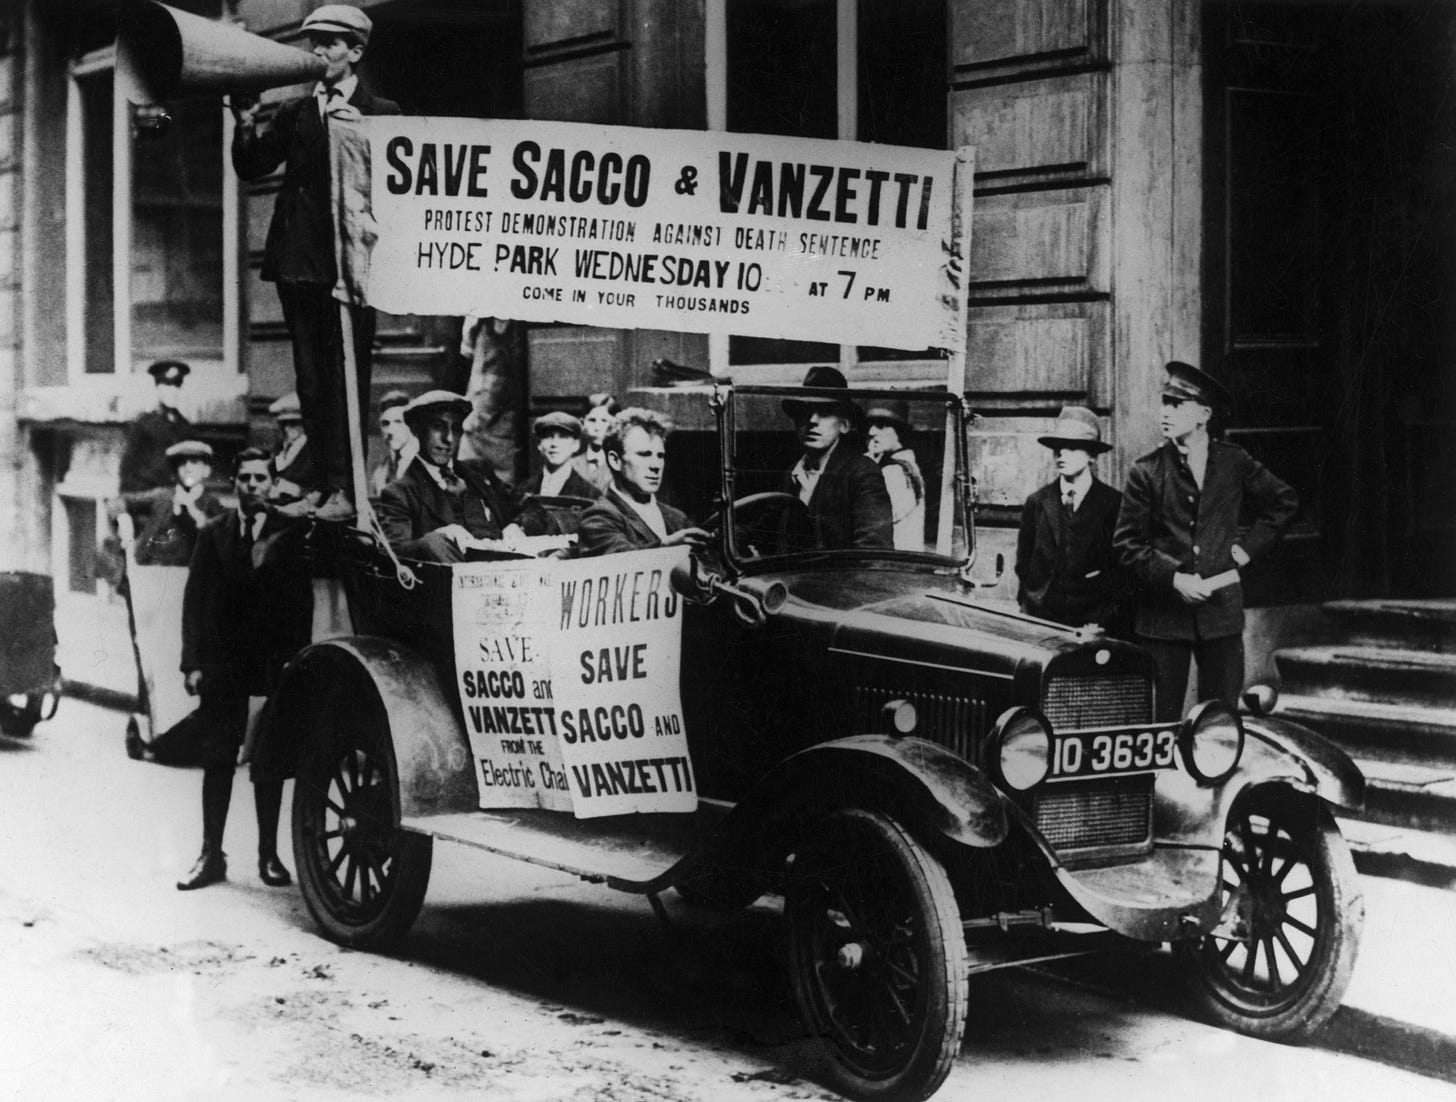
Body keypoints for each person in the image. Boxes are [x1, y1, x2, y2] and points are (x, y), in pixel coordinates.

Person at [230, 4, 401, 523]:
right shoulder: (294, 112)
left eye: (330, 43)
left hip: (349, 267)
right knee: (310, 380)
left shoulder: (384, 114)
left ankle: (347, 487)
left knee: (347, 376)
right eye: (314, 42)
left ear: (356, 52)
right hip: (297, 263)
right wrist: (244, 122)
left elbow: (401, 193)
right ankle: (325, 485)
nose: (318, 52)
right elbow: (253, 165)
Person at [1115, 361, 1298, 721]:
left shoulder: (1233, 461)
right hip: (1163, 621)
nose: (1164, 412)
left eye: (1176, 405)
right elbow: (1126, 545)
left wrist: (1246, 549)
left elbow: (1284, 501)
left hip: (1220, 617)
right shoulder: (1146, 471)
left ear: (1204, 414)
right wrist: (1174, 578)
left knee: (1221, 720)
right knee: (1158, 721)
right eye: (1164, 403)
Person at [176, 449, 314, 890]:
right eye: (245, 478)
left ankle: (268, 857)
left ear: (273, 484)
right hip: (223, 665)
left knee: (269, 763)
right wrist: (192, 663)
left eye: (261, 478)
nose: (253, 485)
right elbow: (194, 600)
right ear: (233, 483)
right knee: (218, 758)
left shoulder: (289, 535)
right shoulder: (214, 533)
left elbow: (300, 603)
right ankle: (210, 855)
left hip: (272, 665)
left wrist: (295, 661)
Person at [1015, 406, 1126, 631]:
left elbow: (1121, 572)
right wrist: (1031, 605)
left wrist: (1104, 620)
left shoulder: (1113, 503)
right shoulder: (1037, 502)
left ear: (1092, 456)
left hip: (1093, 624)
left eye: (1072, 448)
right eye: (1057, 448)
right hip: (1042, 620)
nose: (1062, 455)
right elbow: (1024, 565)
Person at [376, 390, 517, 563]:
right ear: (417, 430)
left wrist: (517, 526)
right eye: (438, 427)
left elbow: (528, 506)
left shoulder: (478, 472)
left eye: (456, 429)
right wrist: (437, 540)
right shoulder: (399, 493)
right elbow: (397, 553)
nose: (449, 439)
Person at [781, 366, 892, 551]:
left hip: (839, 579)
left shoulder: (862, 473)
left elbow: (874, 550)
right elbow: (765, 530)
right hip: (791, 579)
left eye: (824, 411)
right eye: (805, 412)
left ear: (845, 425)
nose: (812, 420)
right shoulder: (792, 474)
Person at [578, 408, 708, 556]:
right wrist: (668, 545)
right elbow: (620, 558)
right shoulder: (598, 517)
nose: (656, 465)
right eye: (644, 454)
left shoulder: (677, 518)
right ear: (615, 461)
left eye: (660, 456)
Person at [127, 440, 226, 567]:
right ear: (175, 471)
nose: (187, 468)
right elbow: (122, 501)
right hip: (153, 571)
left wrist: (197, 515)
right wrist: (122, 520)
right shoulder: (162, 496)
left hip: (192, 575)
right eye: (182, 463)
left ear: (206, 470)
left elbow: (222, 544)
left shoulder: (211, 503)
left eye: (194, 462)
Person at [508, 411, 602, 538]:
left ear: (575, 445)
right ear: (539, 445)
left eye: (563, 437)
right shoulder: (523, 490)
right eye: (548, 437)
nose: (554, 444)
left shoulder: (590, 494)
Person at [119, 359, 191, 497]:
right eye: (167, 386)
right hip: (146, 494)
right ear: (158, 388)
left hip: (177, 495)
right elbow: (127, 469)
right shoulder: (143, 424)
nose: (173, 391)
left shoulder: (185, 426)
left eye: (177, 386)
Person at [865, 400, 926, 551]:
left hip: (890, 562)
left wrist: (867, 465)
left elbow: (869, 521)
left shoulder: (892, 472)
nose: (872, 431)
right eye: (870, 425)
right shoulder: (909, 465)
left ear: (899, 431)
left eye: (881, 425)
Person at [267, 392, 315, 508]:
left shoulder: (313, 449)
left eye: (293, 423)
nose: (287, 428)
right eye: (284, 424)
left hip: (302, 507)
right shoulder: (280, 447)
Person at [368, 389, 416, 496]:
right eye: (386, 424)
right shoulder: (379, 474)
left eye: (398, 422)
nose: (390, 430)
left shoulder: (426, 467)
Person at [573, 393, 619, 494]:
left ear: (614, 425)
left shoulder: (619, 465)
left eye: (604, 421)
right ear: (582, 423)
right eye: (592, 420)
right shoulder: (571, 465)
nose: (597, 427)